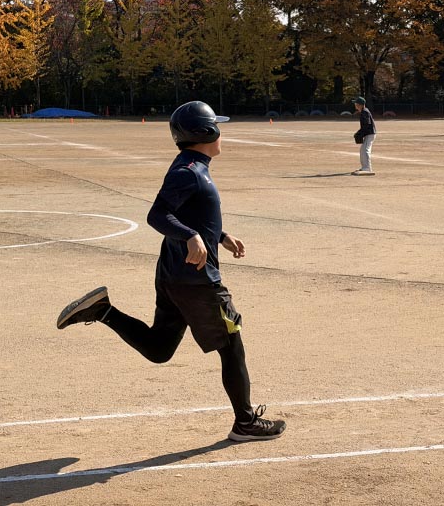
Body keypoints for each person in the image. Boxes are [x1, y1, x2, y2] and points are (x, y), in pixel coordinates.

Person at [56, 100, 286, 443]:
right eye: (217, 127)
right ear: (205, 132)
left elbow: (186, 213)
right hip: (197, 281)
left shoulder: (193, 166)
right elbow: (158, 215)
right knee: (232, 345)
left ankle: (103, 311)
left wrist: (219, 236)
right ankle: (246, 422)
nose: (222, 134)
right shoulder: (188, 171)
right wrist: (192, 236)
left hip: (176, 276)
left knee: (160, 349)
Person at [351, 96, 377, 175]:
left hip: (370, 133)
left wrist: (360, 133)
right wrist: (360, 133)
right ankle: (364, 167)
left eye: (356, 104)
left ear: (360, 105)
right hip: (368, 133)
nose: (355, 105)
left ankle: (367, 168)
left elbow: (366, 124)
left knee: (365, 149)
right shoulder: (364, 111)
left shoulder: (365, 112)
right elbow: (365, 126)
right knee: (363, 149)